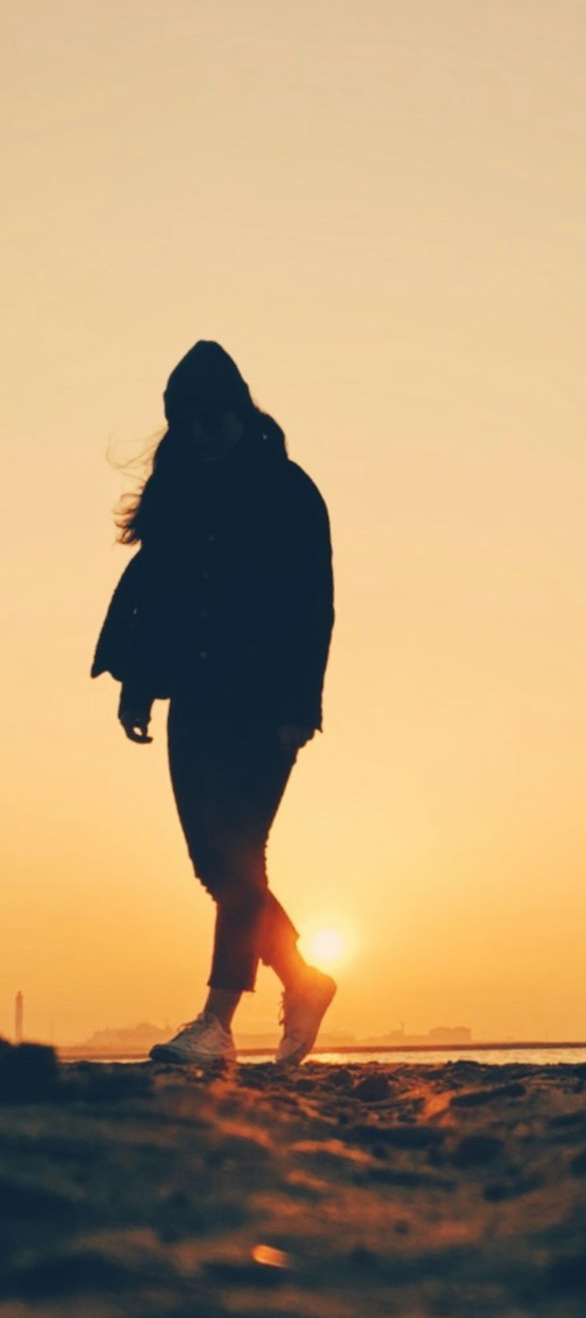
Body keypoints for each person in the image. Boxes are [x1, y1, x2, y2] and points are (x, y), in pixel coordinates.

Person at [92, 340, 336, 1069]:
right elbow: (156, 598)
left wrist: (301, 700)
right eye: (188, 421)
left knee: (238, 852)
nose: (201, 433)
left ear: (240, 412)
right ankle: (304, 979)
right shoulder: (176, 496)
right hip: (195, 695)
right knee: (214, 861)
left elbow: (312, 605)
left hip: (266, 701)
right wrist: (137, 683)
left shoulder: (289, 490)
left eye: (214, 418)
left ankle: (216, 1021)